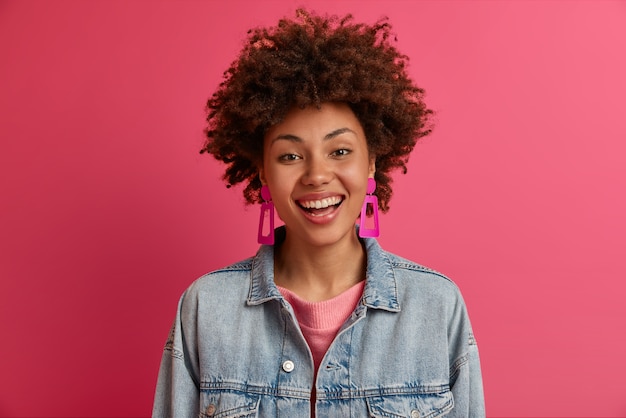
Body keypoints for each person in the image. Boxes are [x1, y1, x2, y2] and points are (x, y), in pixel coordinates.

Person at [153, 9, 485, 417]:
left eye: (340, 151)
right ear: (262, 171)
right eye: (290, 155)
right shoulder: (206, 308)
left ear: (371, 163)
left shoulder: (436, 307)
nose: (316, 175)